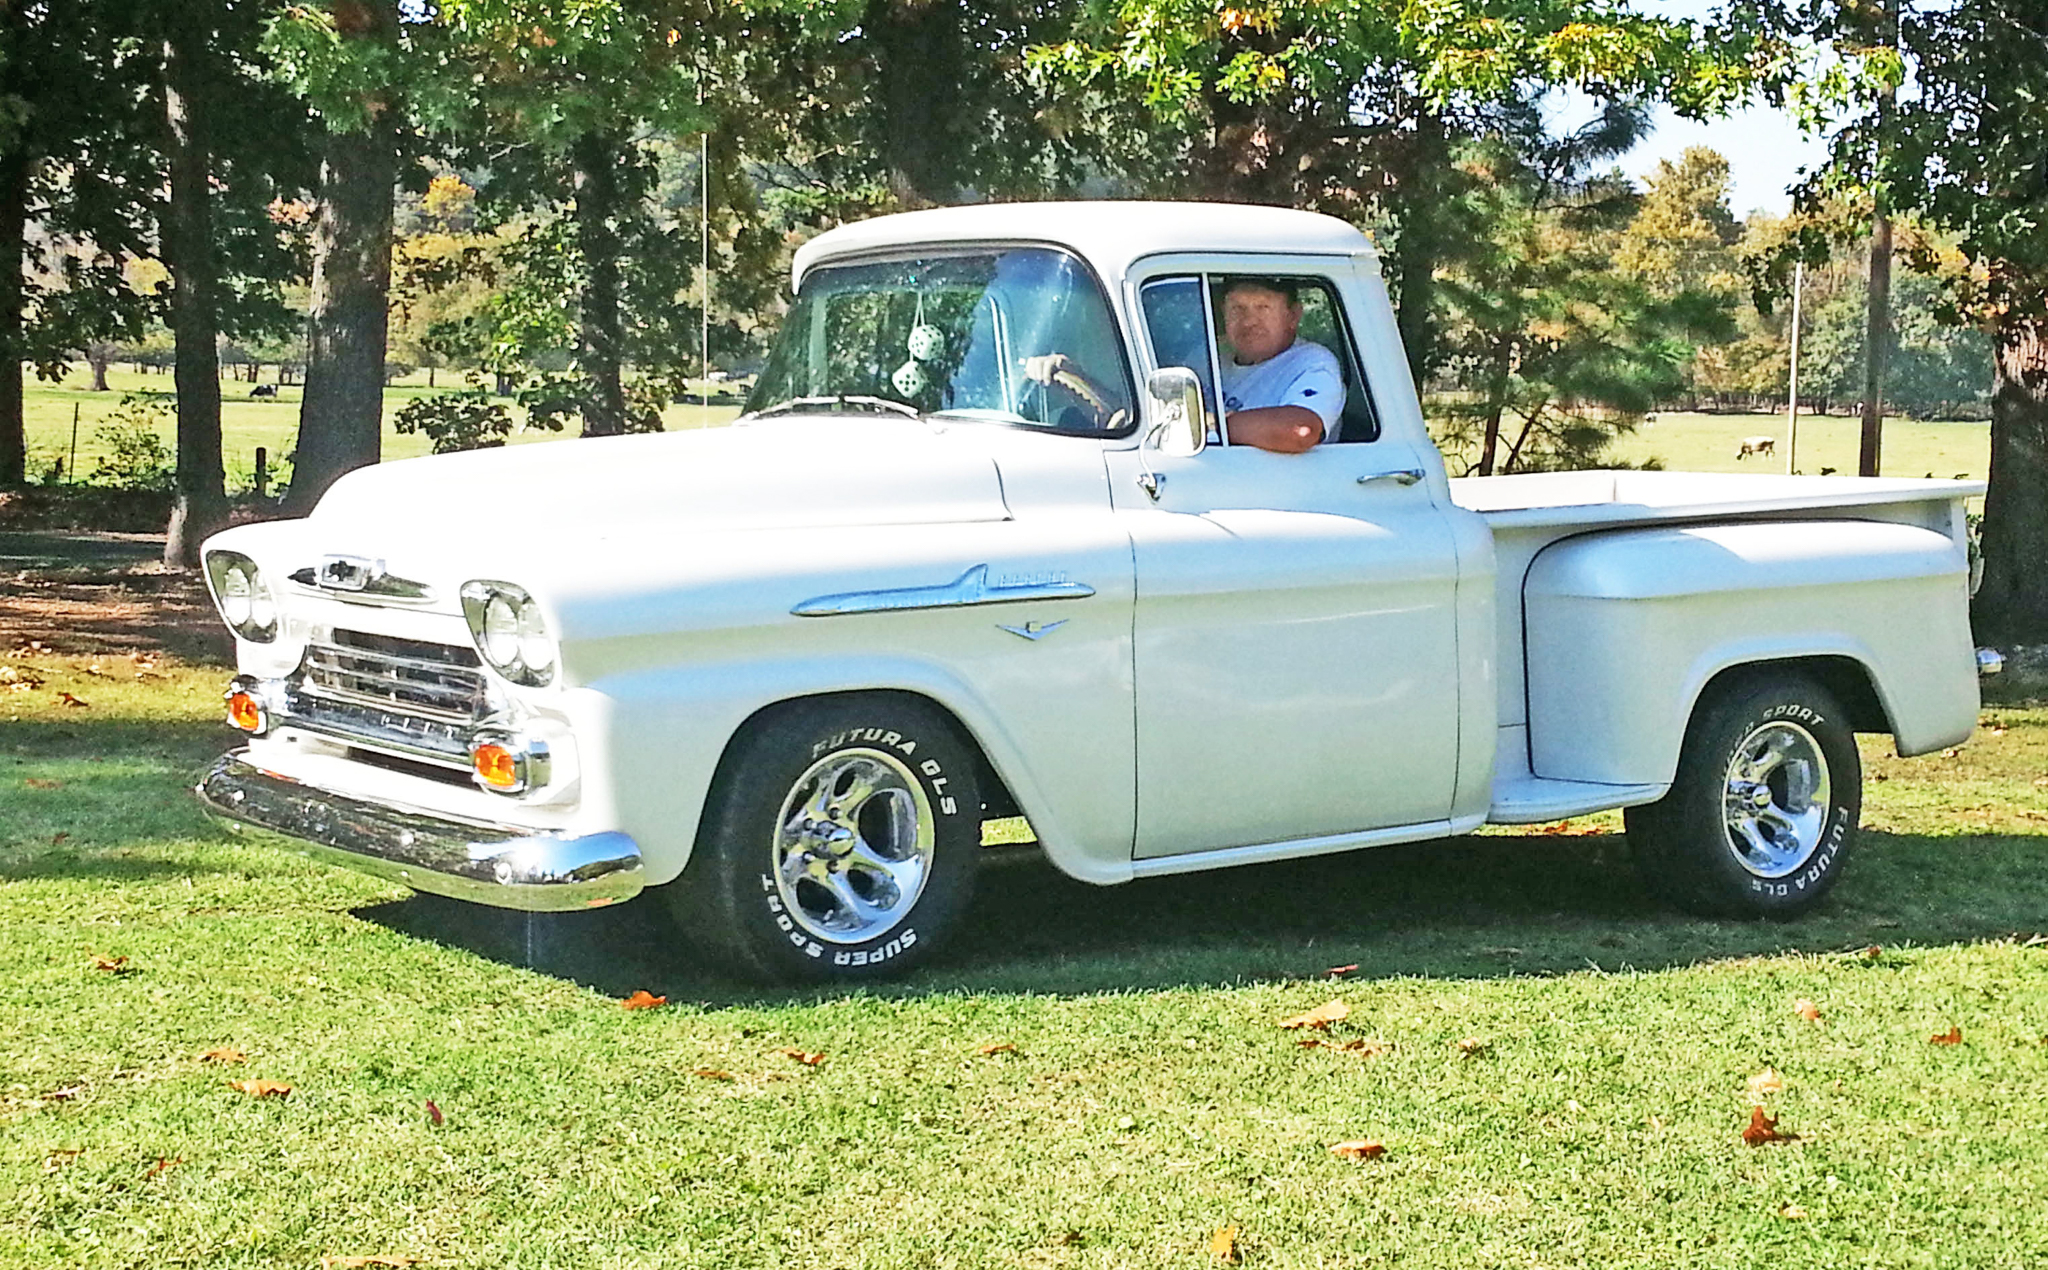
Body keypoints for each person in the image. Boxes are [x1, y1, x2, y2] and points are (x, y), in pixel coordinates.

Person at [1217, 278, 1345, 453]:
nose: (1248, 322)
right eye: (1237, 308)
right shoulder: (1209, 354)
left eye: (1263, 308)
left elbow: (1301, 431)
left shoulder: (1313, 362)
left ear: (1293, 316)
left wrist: (1211, 427)